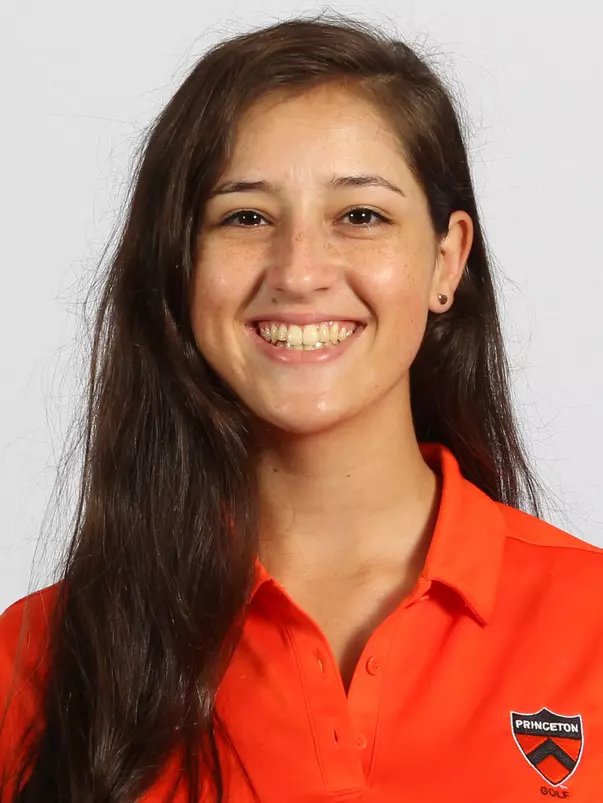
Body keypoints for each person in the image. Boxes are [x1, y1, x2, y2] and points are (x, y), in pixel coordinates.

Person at [1, 11, 602, 803]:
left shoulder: (588, 618)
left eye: (360, 215)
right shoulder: (37, 657)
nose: (299, 270)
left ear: (446, 259)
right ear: (179, 266)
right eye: (244, 216)